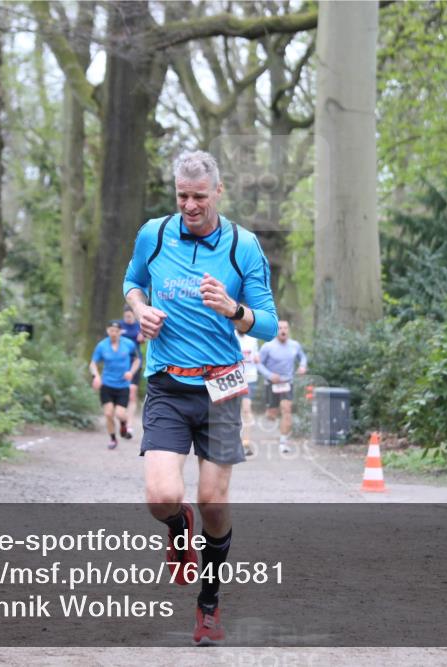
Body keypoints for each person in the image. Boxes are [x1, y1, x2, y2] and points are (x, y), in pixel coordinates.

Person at [123, 150, 278, 644]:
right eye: (182, 196)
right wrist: (139, 310)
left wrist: (234, 310)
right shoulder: (155, 233)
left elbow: (269, 324)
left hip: (223, 387)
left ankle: (208, 604)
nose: (189, 206)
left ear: (218, 193)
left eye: (198, 197)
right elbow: (132, 282)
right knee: (161, 496)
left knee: (214, 500)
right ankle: (177, 524)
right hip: (169, 382)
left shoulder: (243, 246)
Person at [258, 320, 307, 454]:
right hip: (271, 384)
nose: (283, 330)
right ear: (276, 330)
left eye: (285, 327)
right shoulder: (268, 346)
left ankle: (283, 442)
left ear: (288, 330)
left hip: (287, 382)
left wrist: (302, 366)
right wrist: (269, 375)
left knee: (286, 410)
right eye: (280, 328)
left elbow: (302, 357)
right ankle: (273, 414)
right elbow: (259, 364)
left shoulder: (295, 345)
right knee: (272, 414)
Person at [89, 320, 140, 450]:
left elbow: (137, 360)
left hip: (123, 385)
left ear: (120, 332)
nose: (114, 333)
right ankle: (113, 439)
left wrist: (131, 372)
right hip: (107, 385)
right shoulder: (102, 346)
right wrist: (96, 376)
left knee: (120, 413)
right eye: (111, 330)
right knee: (108, 413)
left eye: (116, 331)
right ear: (108, 331)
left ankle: (123, 424)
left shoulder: (128, 344)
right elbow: (93, 363)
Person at [120, 306, 145, 438]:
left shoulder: (139, 327)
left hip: (135, 364)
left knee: (132, 394)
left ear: (135, 316)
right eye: (126, 317)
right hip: (120, 364)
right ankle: (122, 419)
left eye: (130, 316)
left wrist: (143, 338)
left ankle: (129, 426)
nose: (128, 319)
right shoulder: (118, 326)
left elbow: (146, 338)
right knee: (121, 393)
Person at [236, 329, 260, 457]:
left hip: (249, 378)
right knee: (232, 411)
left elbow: (256, 356)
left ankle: (245, 443)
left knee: (246, 410)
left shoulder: (253, 338)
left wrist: (257, 358)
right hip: (233, 379)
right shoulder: (231, 334)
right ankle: (234, 442)